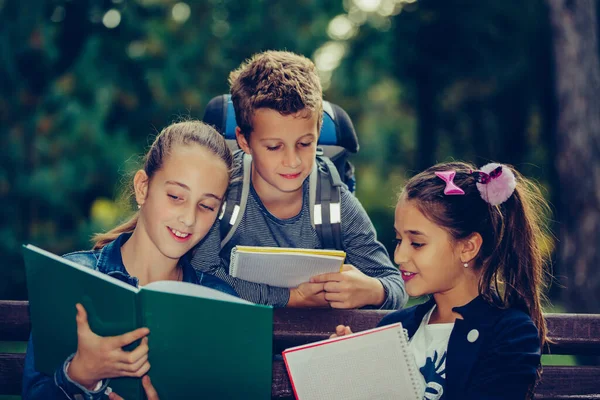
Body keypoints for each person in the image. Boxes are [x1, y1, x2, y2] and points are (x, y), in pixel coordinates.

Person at [22, 120, 236, 400]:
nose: (189, 218)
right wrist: (79, 375)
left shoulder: (221, 303)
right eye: (175, 196)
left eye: (206, 206)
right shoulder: (71, 277)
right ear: (143, 188)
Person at [192, 50, 406, 310]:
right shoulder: (223, 192)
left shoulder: (335, 202)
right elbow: (199, 275)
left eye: (304, 144)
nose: (292, 161)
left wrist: (374, 291)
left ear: (317, 132)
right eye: (274, 147)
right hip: (237, 341)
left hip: (313, 343)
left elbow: (395, 285)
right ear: (244, 140)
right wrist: (292, 298)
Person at [332, 162, 551, 400]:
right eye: (398, 240)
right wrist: (350, 374)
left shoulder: (510, 334)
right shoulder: (395, 326)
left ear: (467, 248)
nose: (399, 256)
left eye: (417, 243)